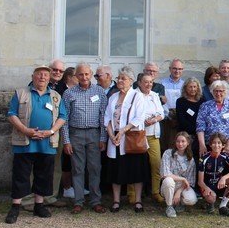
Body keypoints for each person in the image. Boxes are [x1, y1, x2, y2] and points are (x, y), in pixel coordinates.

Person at [5, 65, 67, 224]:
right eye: (39, 75)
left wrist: (50, 132)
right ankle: (15, 207)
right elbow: (11, 114)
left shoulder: (55, 96)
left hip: (47, 142)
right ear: (33, 76)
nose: (42, 78)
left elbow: (62, 117)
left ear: (49, 78)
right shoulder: (21, 93)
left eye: (45, 75)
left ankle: (39, 205)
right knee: (21, 175)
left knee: (43, 175)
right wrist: (25, 130)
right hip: (24, 141)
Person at [62, 63, 108, 215]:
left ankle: (95, 201)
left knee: (95, 168)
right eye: (80, 74)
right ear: (76, 76)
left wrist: (103, 138)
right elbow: (65, 119)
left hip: (94, 134)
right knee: (77, 169)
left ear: (91, 74)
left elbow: (103, 117)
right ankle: (78, 201)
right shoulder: (69, 93)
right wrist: (66, 141)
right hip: (76, 134)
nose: (84, 77)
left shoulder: (100, 92)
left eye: (87, 74)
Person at [104, 66, 148, 213]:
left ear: (131, 81)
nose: (120, 81)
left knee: (136, 170)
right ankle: (116, 200)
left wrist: (123, 131)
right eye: (119, 78)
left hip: (130, 137)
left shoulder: (137, 96)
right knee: (115, 169)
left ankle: (138, 201)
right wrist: (111, 135)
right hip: (115, 138)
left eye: (123, 78)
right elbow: (107, 119)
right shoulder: (113, 97)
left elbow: (139, 117)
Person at [136, 73, 166, 204]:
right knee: (135, 165)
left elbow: (162, 113)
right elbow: (132, 114)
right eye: (146, 82)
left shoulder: (154, 95)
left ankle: (155, 192)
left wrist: (154, 119)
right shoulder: (134, 95)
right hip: (138, 135)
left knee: (156, 164)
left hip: (153, 135)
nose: (149, 85)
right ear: (139, 83)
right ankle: (133, 193)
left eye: (151, 82)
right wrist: (144, 120)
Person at [196, 80, 229, 159]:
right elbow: (200, 127)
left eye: (221, 91)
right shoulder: (205, 106)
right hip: (210, 145)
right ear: (212, 92)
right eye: (215, 91)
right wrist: (202, 145)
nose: (218, 93)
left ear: (226, 92)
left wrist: (228, 145)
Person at [198, 133, 229, 216]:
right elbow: (200, 182)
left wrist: (224, 178)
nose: (216, 145)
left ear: (223, 145)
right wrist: (206, 188)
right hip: (207, 186)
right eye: (214, 143)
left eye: (219, 143)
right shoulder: (203, 159)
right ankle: (208, 203)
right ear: (210, 144)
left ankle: (222, 206)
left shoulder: (225, 156)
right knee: (212, 198)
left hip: (219, 184)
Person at [160, 132, 198, 218]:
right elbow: (165, 174)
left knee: (191, 200)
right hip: (169, 184)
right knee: (168, 181)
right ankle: (169, 206)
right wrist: (183, 179)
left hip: (182, 186)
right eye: (178, 141)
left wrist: (179, 191)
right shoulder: (168, 153)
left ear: (188, 143)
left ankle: (179, 202)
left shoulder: (190, 159)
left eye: (183, 141)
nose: (180, 144)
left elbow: (190, 180)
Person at [175, 77, 203, 155]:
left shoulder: (202, 101)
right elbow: (181, 119)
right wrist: (195, 130)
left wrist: (199, 132)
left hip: (200, 135)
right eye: (190, 87)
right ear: (185, 88)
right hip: (185, 135)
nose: (192, 89)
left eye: (194, 87)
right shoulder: (180, 101)